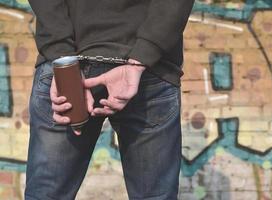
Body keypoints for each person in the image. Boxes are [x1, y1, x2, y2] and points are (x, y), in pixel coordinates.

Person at [25, 0, 194, 199]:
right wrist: (145, 54)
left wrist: (62, 55)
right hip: (149, 69)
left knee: (46, 195)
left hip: (70, 63)